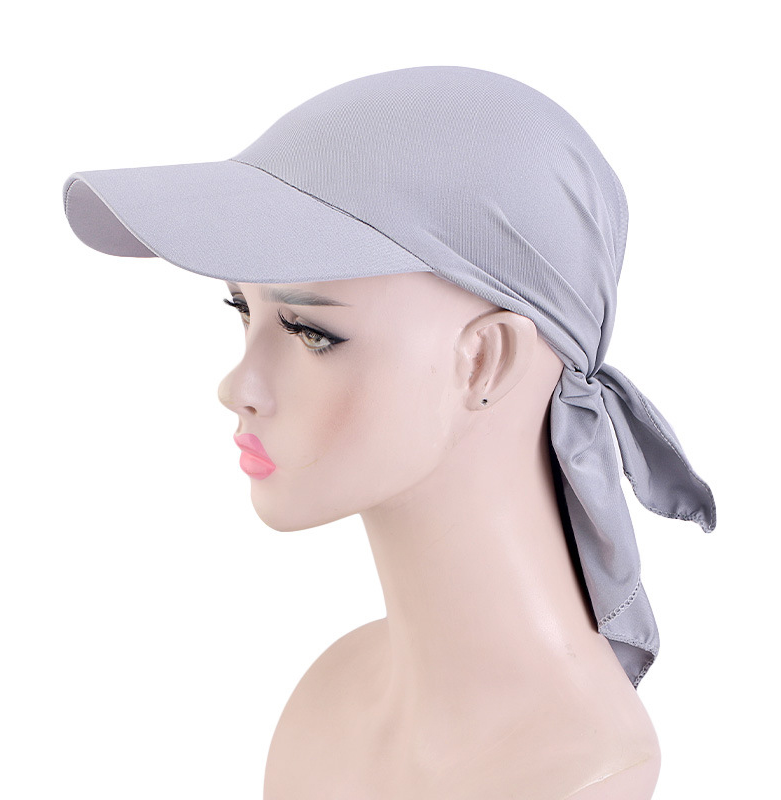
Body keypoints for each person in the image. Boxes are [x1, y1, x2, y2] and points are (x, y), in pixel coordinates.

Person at [62, 65, 717, 799]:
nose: (238, 388)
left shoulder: (584, 771)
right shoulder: (327, 696)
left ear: (486, 360)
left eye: (310, 332)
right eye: (242, 309)